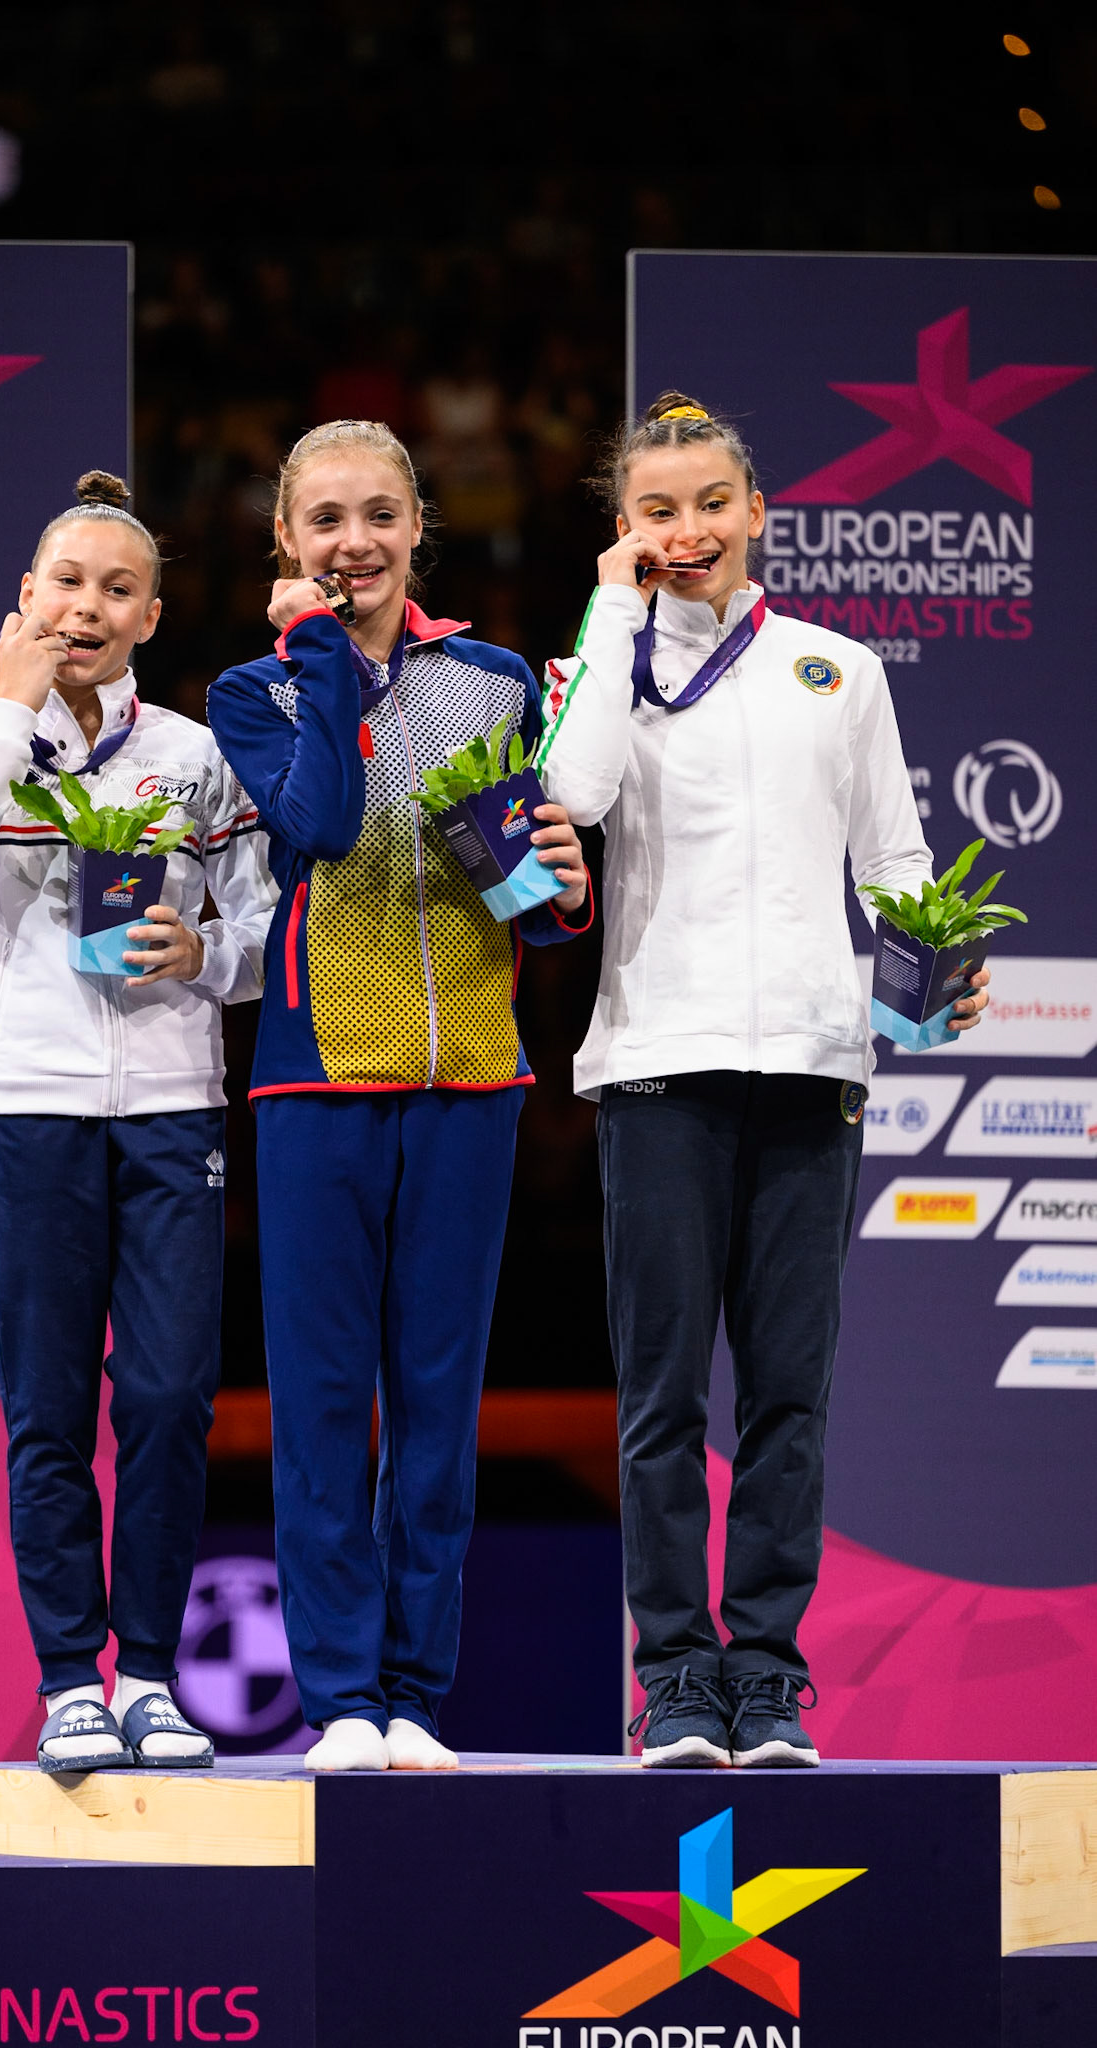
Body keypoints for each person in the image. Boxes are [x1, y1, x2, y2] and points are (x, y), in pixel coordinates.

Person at [539, 394, 990, 1769]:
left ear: (755, 513)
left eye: (710, 504)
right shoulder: (596, 668)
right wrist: (609, 620)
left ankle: (767, 1675)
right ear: (626, 529)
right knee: (663, 1397)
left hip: (809, 1066)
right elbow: (573, 798)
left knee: (788, 1393)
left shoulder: (837, 672)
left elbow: (893, 863)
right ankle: (673, 1677)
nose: (688, 531)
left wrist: (936, 968)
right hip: (658, 1068)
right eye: (657, 510)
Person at [207, 419, 592, 1771]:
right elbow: (314, 823)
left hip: (472, 1083)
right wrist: (322, 659)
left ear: (418, 524)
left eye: (377, 515)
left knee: (437, 1406)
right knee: (321, 1404)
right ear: (286, 545)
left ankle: (416, 1699)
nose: (351, 543)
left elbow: (532, 911)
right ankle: (338, 1703)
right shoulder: (254, 692)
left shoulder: (492, 680)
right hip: (315, 1082)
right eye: (323, 522)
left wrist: (559, 883)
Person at [0, 472, 275, 1771]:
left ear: (152, 615)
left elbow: (267, 932)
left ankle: (153, 1675)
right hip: (35, 1110)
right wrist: (8, 712)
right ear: (26, 600)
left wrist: (202, 950)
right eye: (66, 584)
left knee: (168, 1401)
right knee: (47, 1404)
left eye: (117, 589)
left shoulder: (191, 755)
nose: (87, 608)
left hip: (172, 1106)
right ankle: (70, 1680)